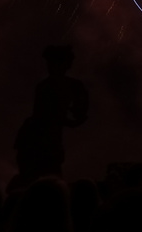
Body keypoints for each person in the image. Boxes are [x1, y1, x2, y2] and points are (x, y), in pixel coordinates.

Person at [14, 45, 90, 184]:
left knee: (37, 179)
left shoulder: (47, 86)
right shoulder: (68, 86)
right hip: (43, 141)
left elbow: (43, 114)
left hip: (38, 140)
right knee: (48, 178)